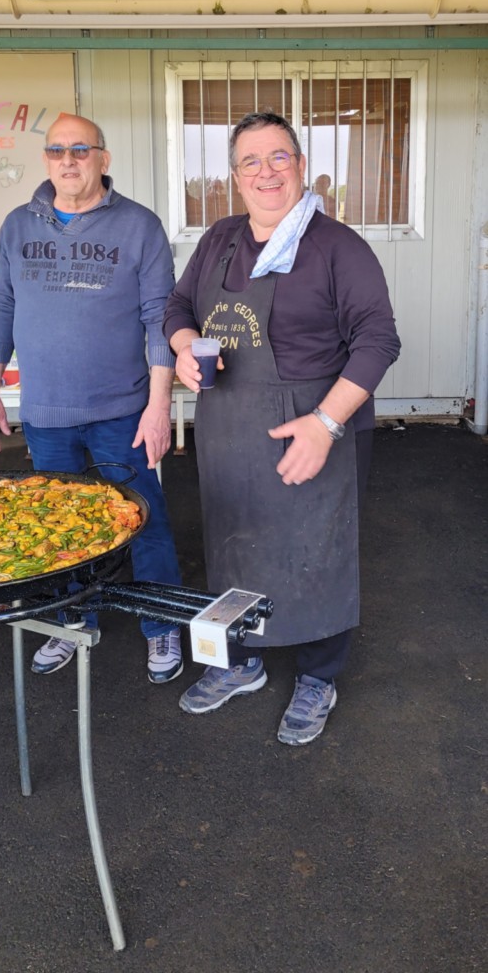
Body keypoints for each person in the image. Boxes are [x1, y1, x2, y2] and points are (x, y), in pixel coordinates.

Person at [163, 111, 401, 745]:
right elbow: (178, 306)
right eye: (251, 161)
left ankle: (319, 675)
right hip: (229, 424)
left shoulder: (338, 247)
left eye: (278, 158)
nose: (266, 172)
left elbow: (378, 340)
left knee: (316, 551)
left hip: (317, 423)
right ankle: (239, 662)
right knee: (234, 543)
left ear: (300, 166)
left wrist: (325, 423)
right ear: (234, 176)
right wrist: (184, 346)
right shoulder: (220, 239)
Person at [0, 112, 183, 684]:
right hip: (46, 413)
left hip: (123, 410)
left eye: (80, 150)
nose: (67, 160)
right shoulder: (17, 225)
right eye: (56, 150)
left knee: (144, 518)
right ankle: (71, 619)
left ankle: (160, 621)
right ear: (46, 159)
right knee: (57, 525)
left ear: (103, 158)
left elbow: (159, 318)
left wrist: (159, 407)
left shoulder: (139, 226)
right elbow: (1, 307)